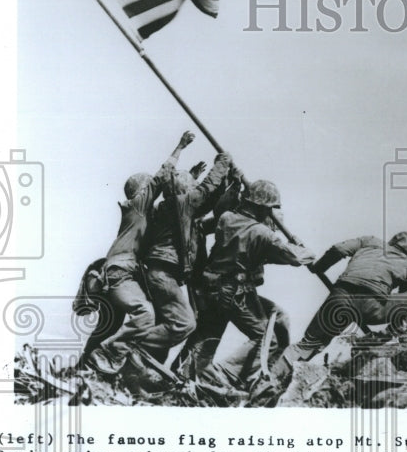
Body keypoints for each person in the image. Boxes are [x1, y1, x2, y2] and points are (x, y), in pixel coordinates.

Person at [183, 178, 315, 388]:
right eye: (269, 209)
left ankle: (186, 371)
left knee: (275, 318)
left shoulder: (227, 218)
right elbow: (295, 257)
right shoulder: (262, 233)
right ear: (262, 207)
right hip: (233, 292)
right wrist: (305, 250)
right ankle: (226, 375)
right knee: (266, 338)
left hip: (211, 288)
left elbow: (252, 248)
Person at [84, 131, 194, 374]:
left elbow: (176, 208)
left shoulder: (143, 215)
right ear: (141, 191)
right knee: (144, 314)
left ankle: (87, 367)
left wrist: (190, 180)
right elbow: (162, 176)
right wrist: (180, 146)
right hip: (120, 273)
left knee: (110, 326)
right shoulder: (136, 207)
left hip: (124, 274)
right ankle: (106, 355)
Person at [135, 150, 233, 363]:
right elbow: (206, 191)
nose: (194, 190)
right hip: (163, 274)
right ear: (184, 191)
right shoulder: (180, 204)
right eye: (191, 187)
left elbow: (209, 203)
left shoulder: (177, 211)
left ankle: (147, 368)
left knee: (168, 325)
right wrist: (222, 163)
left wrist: (228, 182)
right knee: (184, 323)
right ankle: (130, 345)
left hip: (164, 274)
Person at [297, 231, 407, 355]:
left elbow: (338, 249)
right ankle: (385, 336)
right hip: (371, 308)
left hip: (340, 297)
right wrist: (389, 332)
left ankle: (279, 371)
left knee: (308, 344)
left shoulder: (370, 241)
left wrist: (318, 268)